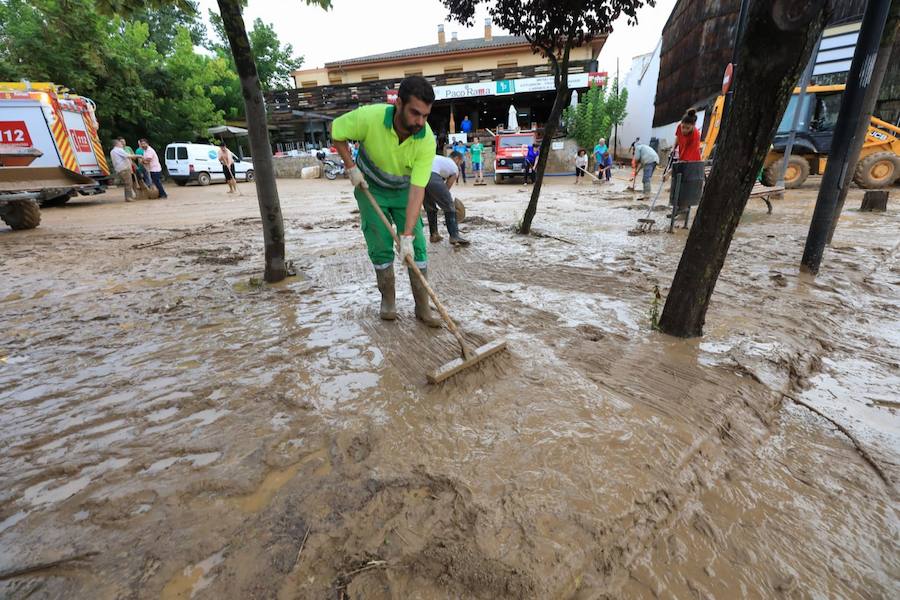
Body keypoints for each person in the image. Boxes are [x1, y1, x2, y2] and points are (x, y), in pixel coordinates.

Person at [331, 75, 440, 326]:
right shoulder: (369, 118)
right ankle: (388, 300)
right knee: (379, 243)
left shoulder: (426, 139)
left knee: (418, 248)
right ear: (399, 104)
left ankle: (422, 307)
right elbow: (336, 131)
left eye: (425, 115)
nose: (420, 122)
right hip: (370, 189)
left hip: (404, 192)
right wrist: (351, 168)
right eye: (415, 113)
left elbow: (417, 190)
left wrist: (408, 236)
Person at [424, 151, 470, 246]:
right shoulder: (454, 167)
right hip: (432, 176)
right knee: (449, 206)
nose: (460, 165)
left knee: (430, 208)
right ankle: (454, 236)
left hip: (419, 175)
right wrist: (445, 201)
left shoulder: (440, 159)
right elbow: (447, 188)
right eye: (460, 162)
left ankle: (434, 235)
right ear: (457, 159)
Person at [109, 137, 138, 202]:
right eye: (120, 143)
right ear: (117, 144)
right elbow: (128, 156)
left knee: (127, 183)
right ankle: (128, 197)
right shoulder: (119, 150)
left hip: (119, 169)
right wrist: (139, 156)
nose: (122, 144)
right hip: (124, 169)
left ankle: (128, 197)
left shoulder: (112, 151)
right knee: (128, 183)